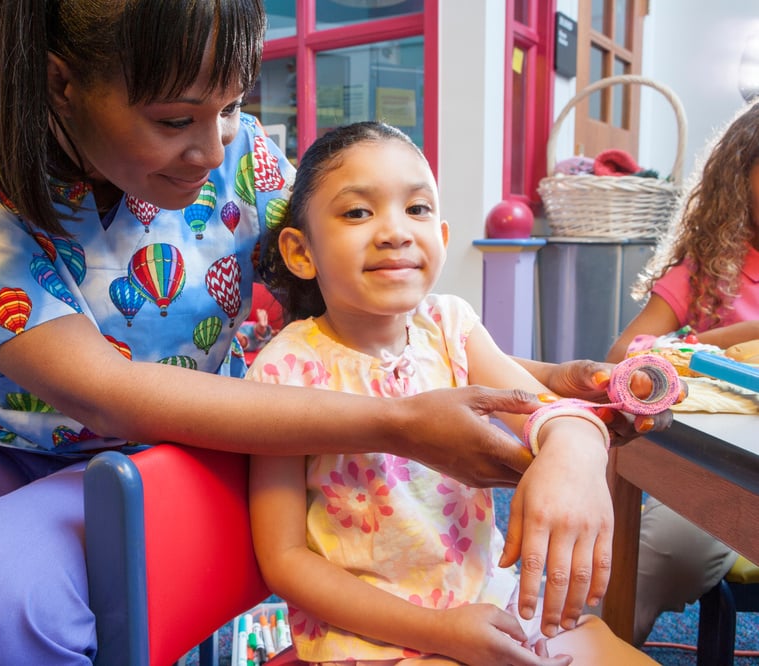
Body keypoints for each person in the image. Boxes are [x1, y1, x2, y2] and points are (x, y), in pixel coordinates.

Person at [0, 2, 669, 663]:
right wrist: (398, 424)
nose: (215, 146)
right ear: (58, 82)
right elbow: (93, 384)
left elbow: (384, 310)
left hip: (189, 447)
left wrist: (560, 399)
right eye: (173, 119)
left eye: (232, 106)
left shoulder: (249, 158)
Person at [247, 121, 659, 665]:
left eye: (416, 209)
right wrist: (437, 632)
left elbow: (544, 411)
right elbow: (284, 559)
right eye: (357, 212)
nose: (395, 231)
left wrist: (572, 445)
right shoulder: (284, 370)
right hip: (370, 637)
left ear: (440, 238)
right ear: (302, 252)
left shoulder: (450, 325)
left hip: (492, 606)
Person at [606, 99, 759, 646]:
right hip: (719, 474)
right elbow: (625, 354)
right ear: (740, 178)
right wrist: (733, 340)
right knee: (672, 552)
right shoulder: (707, 268)